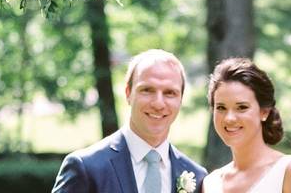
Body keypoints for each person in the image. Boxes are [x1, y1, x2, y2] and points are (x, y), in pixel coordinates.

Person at [52, 49, 207, 193]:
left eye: (170, 93)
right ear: (128, 93)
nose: (158, 103)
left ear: (181, 99)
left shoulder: (197, 177)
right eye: (147, 90)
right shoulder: (86, 167)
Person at [203, 58, 291, 193]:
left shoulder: (290, 170)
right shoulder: (211, 183)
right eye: (221, 108)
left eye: (242, 107)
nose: (229, 118)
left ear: (264, 112)